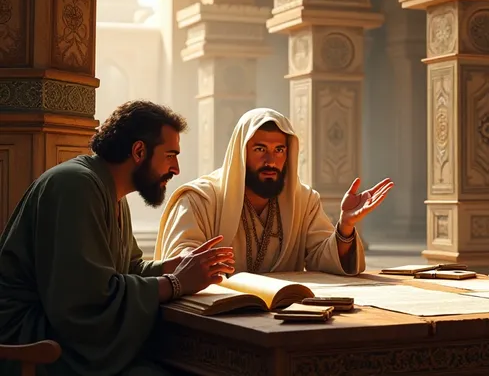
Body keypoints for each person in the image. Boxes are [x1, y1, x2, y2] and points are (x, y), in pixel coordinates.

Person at [0, 101, 235, 376]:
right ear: (139, 151)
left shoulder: (112, 193)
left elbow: (129, 269)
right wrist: (176, 283)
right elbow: (85, 300)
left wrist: (175, 265)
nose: (176, 169)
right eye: (170, 155)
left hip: (66, 338)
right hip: (34, 342)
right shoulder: (75, 186)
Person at [155, 107, 393, 275]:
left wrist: (346, 226)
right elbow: (178, 263)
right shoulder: (200, 200)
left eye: (279, 150)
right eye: (260, 149)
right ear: (241, 153)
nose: (271, 160)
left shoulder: (304, 200)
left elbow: (324, 258)